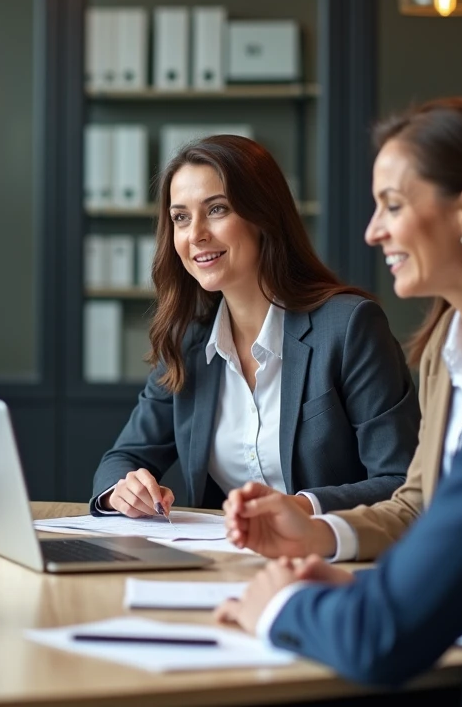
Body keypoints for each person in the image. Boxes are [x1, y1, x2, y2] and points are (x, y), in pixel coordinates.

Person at [214, 0, 462, 705]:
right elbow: (439, 516)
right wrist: (323, 536)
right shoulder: (450, 347)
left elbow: (389, 633)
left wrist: (276, 605)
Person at [221, 98, 462, 561]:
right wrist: (316, 534)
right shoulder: (446, 345)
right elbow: (416, 506)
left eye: (392, 206)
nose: (373, 232)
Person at [90, 135, 419, 519]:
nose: (195, 234)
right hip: (221, 561)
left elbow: (401, 481)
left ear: (263, 217)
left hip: (333, 561)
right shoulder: (188, 341)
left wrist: (301, 508)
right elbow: (124, 457)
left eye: (217, 209)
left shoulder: (349, 327)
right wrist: (123, 491)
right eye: (180, 217)